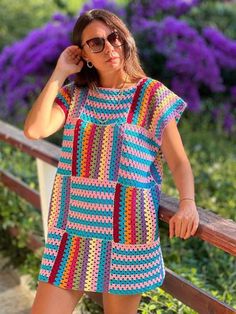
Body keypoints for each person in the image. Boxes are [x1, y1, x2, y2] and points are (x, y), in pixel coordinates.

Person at [24, 8, 199, 314]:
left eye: (113, 37)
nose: (108, 47)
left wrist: (187, 202)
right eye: (95, 43)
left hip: (127, 234)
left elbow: (179, 162)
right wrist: (59, 72)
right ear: (85, 54)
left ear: (124, 39)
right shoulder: (75, 95)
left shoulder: (151, 95)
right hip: (73, 231)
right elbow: (35, 129)